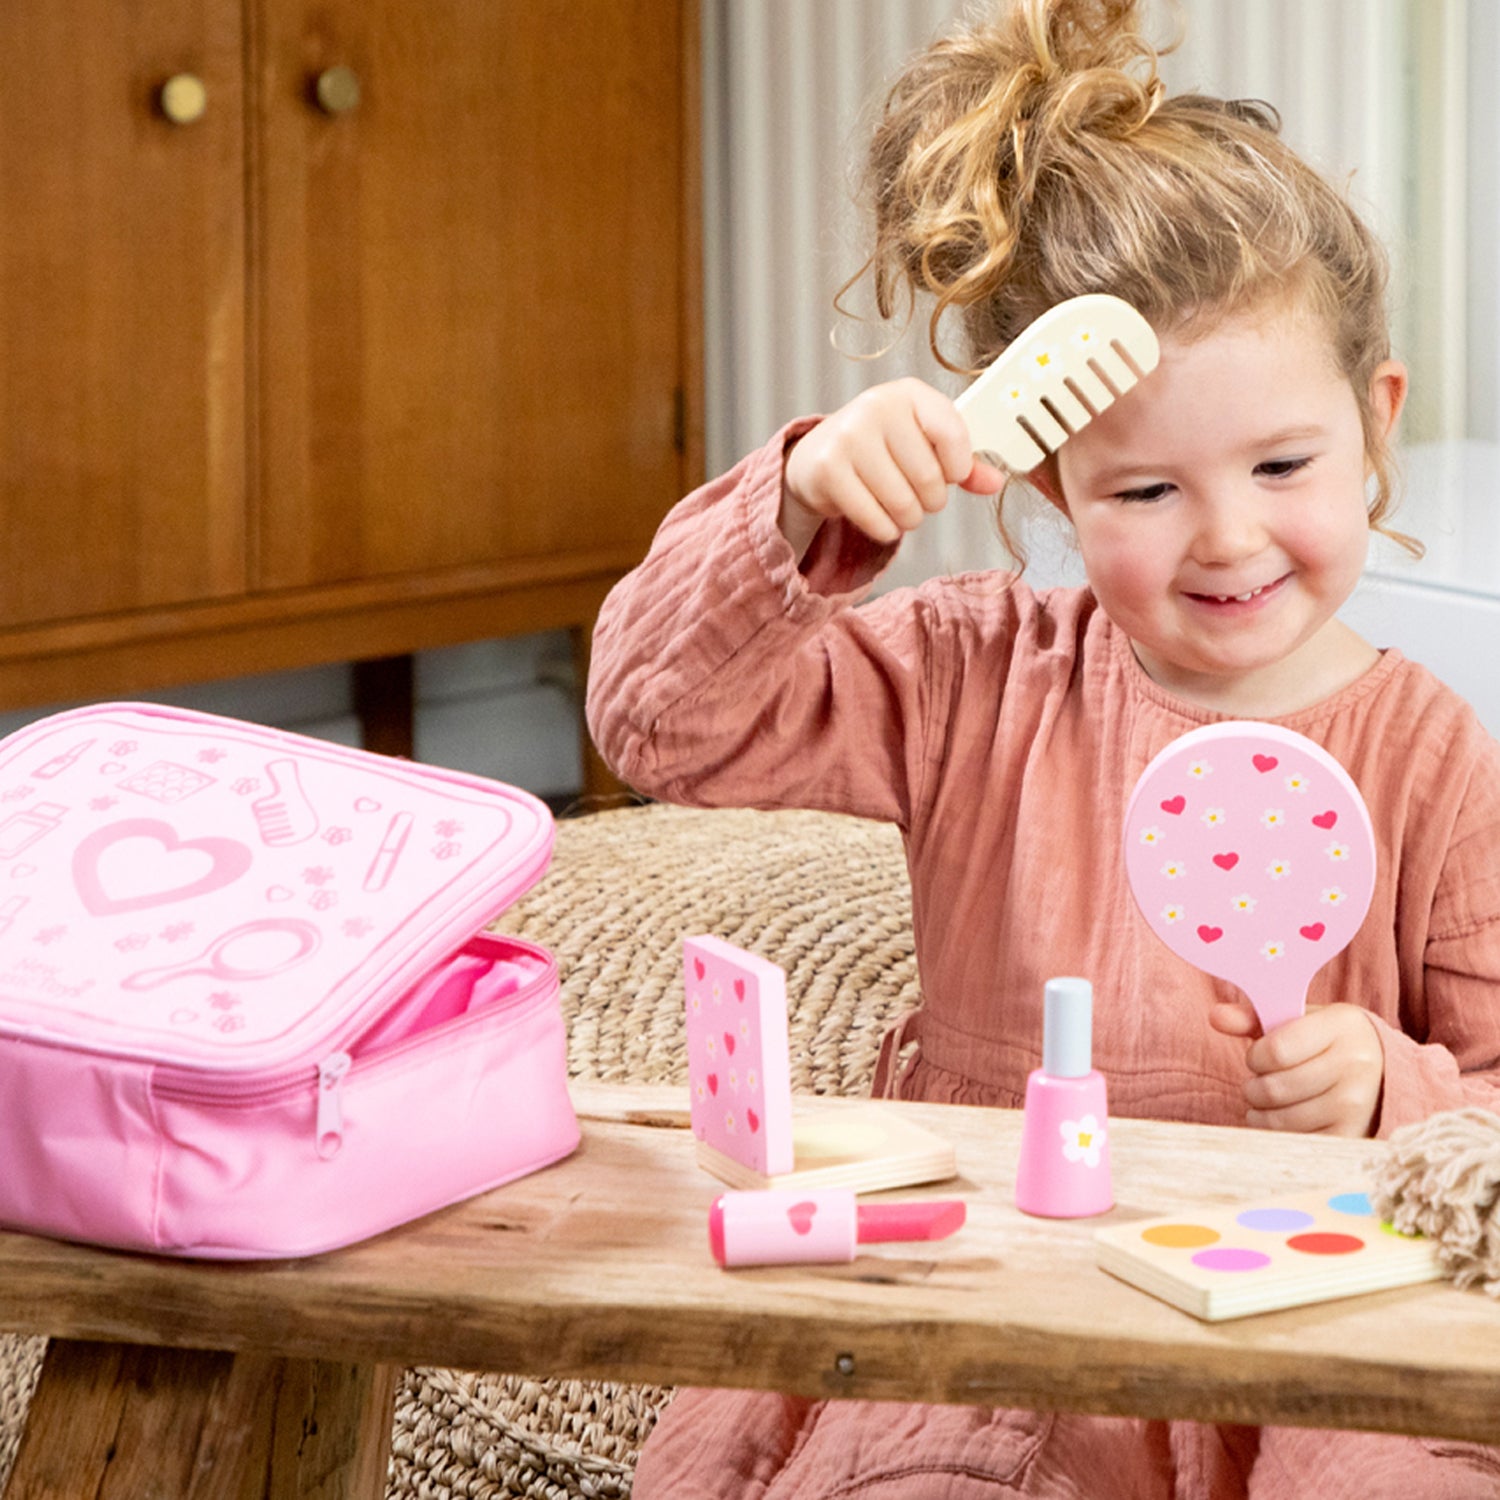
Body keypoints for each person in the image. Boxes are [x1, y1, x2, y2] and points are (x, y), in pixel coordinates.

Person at [585, 0, 1500, 1494]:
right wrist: (813, 500)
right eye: (1143, 491)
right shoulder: (974, 676)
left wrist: (1391, 1086)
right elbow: (658, 722)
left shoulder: (1433, 756)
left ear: (1375, 422)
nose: (1228, 537)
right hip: (1006, 1304)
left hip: (1320, 1319)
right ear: (1060, 494)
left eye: (1283, 464)